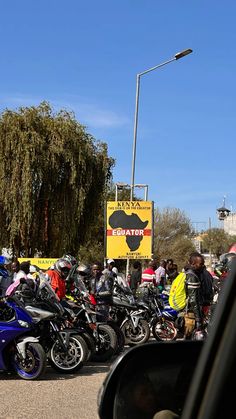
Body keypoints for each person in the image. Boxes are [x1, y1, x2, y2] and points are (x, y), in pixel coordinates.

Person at [185, 252, 205, 332]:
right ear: (193, 263)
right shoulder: (192, 276)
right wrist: (198, 318)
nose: (203, 266)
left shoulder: (189, 273)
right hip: (190, 312)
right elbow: (193, 299)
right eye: (201, 264)